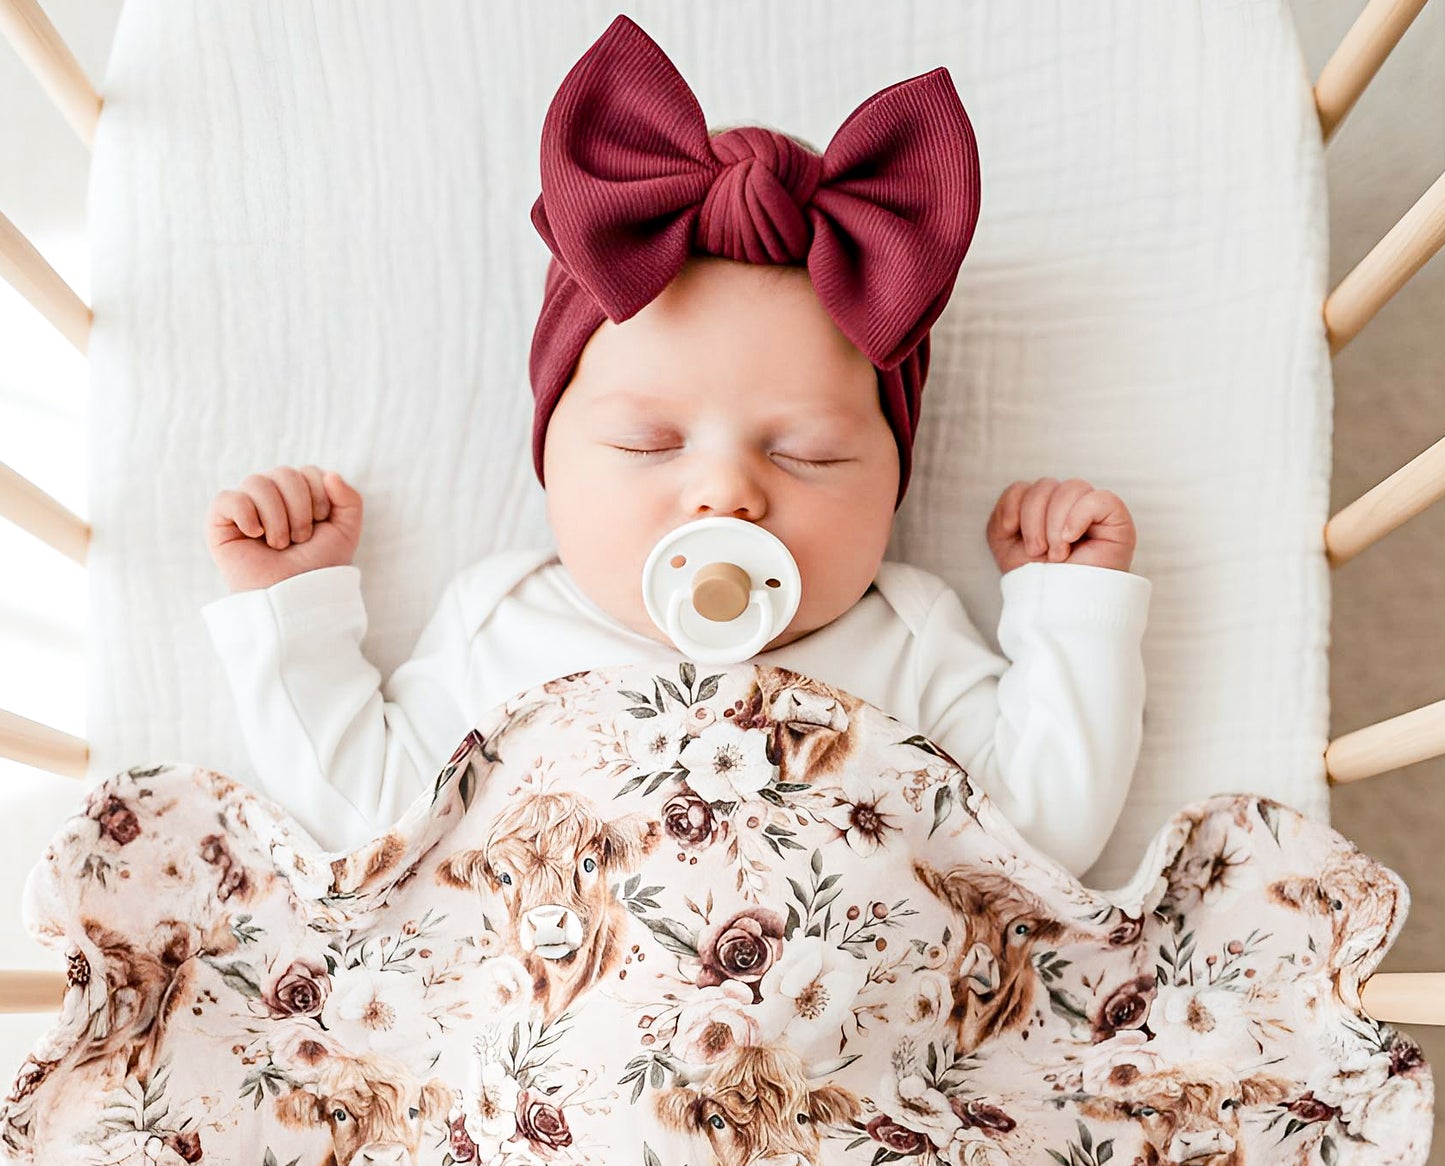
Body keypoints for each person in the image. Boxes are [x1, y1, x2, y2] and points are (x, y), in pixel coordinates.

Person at [201, 14, 1149, 878]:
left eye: (809, 454)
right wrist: (296, 617)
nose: (726, 492)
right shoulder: (504, 623)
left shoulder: (906, 637)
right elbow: (367, 822)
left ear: (895, 477)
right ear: (551, 457)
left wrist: (1067, 613)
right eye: (647, 443)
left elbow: (1041, 839)